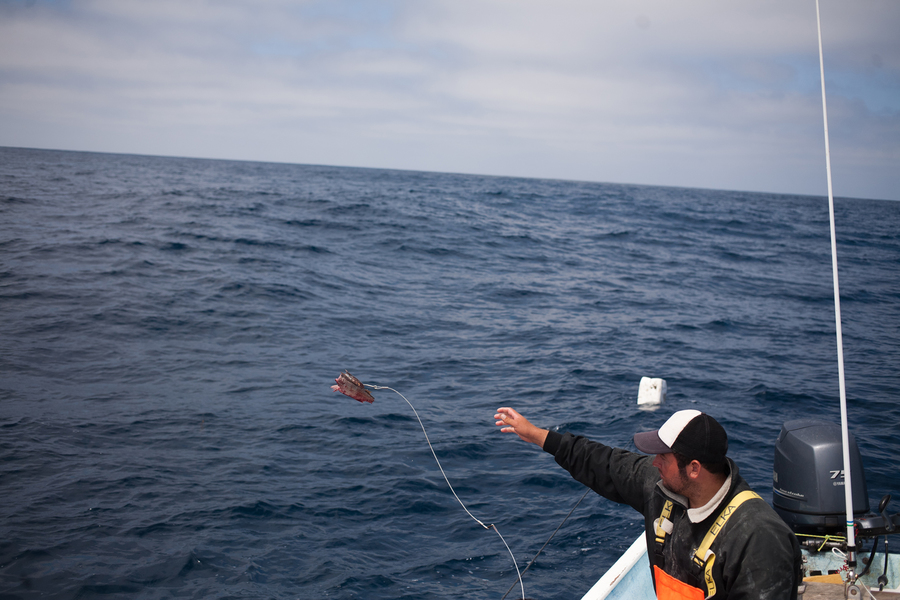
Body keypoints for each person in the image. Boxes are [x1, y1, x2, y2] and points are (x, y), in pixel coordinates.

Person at [494, 407, 802, 600]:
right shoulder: (663, 488)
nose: (653, 463)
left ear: (693, 468)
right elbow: (604, 462)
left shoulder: (760, 537)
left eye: (663, 457)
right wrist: (537, 435)